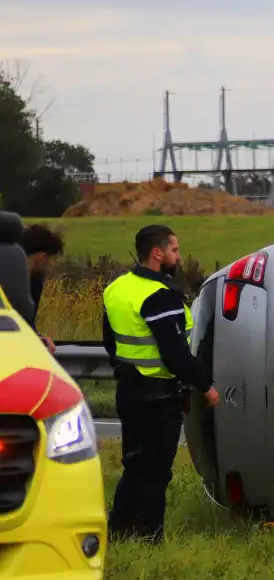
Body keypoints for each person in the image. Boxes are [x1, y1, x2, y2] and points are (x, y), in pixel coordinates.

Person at [102, 224, 220, 544]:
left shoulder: (116, 289)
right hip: (157, 396)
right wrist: (206, 387)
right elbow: (175, 353)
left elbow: (110, 342)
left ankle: (119, 528)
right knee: (155, 471)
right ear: (157, 253)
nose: (177, 257)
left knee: (134, 463)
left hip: (128, 389)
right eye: (174, 250)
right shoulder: (160, 295)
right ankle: (150, 538)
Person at [20, 224, 64, 352]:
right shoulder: (10, 280)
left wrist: (38, 337)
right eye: (53, 259)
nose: (54, 265)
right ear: (42, 257)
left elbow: (27, 321)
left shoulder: (35, 280)